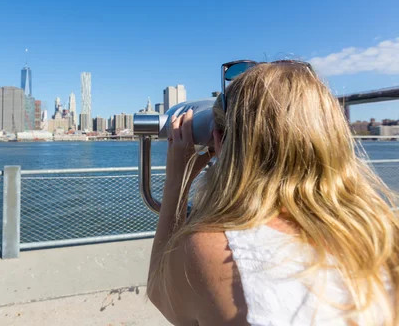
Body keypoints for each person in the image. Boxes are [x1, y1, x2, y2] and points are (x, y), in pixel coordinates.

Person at [147, 61, 398, 325]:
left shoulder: (212, 251)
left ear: (219, 140)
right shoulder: (383, 237)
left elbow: (159, 290)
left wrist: (178, 178)